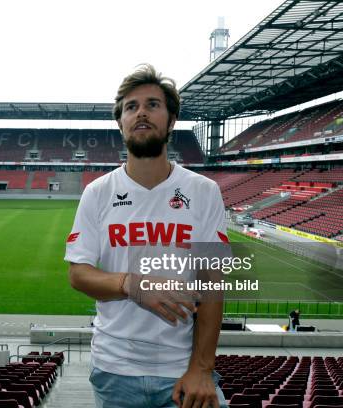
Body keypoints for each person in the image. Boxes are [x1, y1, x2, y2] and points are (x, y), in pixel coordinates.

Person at [65, 64, 229, 408]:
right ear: (120, 123)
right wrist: (132, 284)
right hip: (115, 370)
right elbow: (78, 273)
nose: (141, 112)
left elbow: (213, 286)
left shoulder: (204, 191)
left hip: (181, 370)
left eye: (153, 104)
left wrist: (202, 368)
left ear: (171, 121)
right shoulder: (97, 192)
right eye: (131, 107)